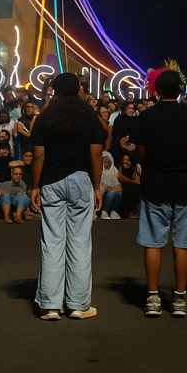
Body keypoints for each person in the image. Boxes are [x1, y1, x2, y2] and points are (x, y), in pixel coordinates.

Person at [31, 72, 104, 321]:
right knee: (80, 242)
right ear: (78, 89)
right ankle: (78, 305)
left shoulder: (45, 117)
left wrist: (35, 186)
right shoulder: (88, 116)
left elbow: (38, 156)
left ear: (55, 90)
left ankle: (50, 305)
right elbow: (96, 155)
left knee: (52, 242)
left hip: (51, 180)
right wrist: (96, 186)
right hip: (81, 179)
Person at [135, 70, 187, 318]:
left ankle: (153, 297)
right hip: (183, 182)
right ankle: (180, 298)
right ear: (180, 90)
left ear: (157, 90)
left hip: (155, 183)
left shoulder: (146, 117)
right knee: (182, 243)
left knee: (153, 241)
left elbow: (140, 153)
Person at [99, 151, 122, 219]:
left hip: (111, 192)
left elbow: (119, 187)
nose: (107, 164)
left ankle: (114, 212)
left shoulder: (114, 171)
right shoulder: (99, 172)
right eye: (105, 162)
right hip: (101, 194)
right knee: (112, 192)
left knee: (118, 193)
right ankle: (104, 211)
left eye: (108, 162)